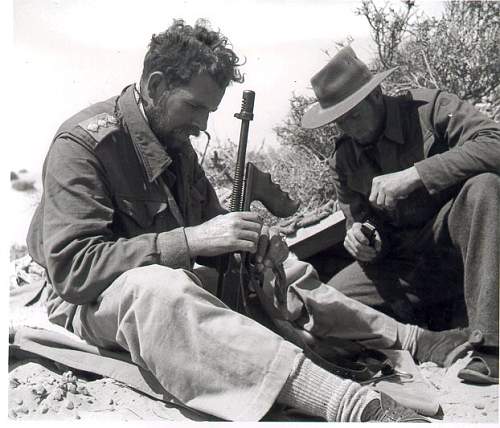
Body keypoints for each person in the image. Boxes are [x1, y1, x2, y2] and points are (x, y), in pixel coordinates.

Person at [27, 19, 466, 422]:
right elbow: (74, 271)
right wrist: (192, 240)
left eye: (210, 112)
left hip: (168, 274)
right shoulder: (83, 145)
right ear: (156, 85)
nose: (202, 126)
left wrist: (253, 246)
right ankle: (348, 403)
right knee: (158, 288)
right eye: (194, 107)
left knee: (282, 267)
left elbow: (213, 229)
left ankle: (408, 338)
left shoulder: (176, 147)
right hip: (93, 300)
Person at [301, 45, 500, 385]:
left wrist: (417, 174)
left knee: (485, 186)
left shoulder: (429, 108)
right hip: (406, 266)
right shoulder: (344, 159)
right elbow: (358, 220)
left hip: (462, 246)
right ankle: (433, 338)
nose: (348, 127)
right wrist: (363, 240)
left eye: (353, 115)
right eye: (339, 121)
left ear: (376, 95)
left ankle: (492, 348)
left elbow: (494, 143)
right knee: (327, 305)